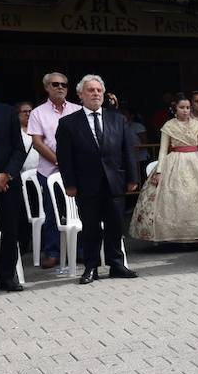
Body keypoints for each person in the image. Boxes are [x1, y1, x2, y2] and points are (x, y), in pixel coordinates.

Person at [54, 75, 139, 283]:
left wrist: (132, 177)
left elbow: (128, 151)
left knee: (115, 225)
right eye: (90, 90)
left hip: (114, 182)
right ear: (81, 95)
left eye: (99, 90)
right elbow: (64, 158)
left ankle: (116, 264)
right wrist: (70, 183)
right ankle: (91, 267)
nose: (95, 94)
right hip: (86, 185)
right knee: (90, 228)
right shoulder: (68, 123)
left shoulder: (117, 119)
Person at [129, 95, 198, 243]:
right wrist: (159, 171)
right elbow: (163, 151)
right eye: (182, 107)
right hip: (175, 162)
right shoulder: (169, 126)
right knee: (175, 198)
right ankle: (176, 235)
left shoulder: (197, 125)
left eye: (188, 108)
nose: (185, 110)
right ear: (175, 109)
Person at [27, 71, 83, 270]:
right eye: (56, 84)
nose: (60, 87)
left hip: (77, 171)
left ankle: (81, 250)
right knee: (52, 212)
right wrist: (62, 162)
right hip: (49, 171)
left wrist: (71, 164)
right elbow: (37, 143)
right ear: (46, 87)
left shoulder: (78, 109)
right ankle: (53, 252)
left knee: (80, 210)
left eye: (64, 84)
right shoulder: (37, 113)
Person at [0, 71, 27, 293]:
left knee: (12, 229)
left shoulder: (6, 111)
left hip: (8, 179)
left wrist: (6, 174)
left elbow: (18, 149)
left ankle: (6, 277)